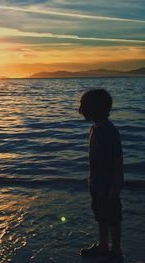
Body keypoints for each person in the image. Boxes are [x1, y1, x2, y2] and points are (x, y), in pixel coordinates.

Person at [78, 89, 124, 263]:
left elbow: (117, 161)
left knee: (113, 216)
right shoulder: (95, 128)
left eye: (83, 107)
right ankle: (104, 246)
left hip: (109, 183)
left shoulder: (109, 131)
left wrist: (116, 185)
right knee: (100, 214)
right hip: (97, 182)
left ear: (94, 110)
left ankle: (116, 250)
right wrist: (91, 180)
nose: (80, 111)